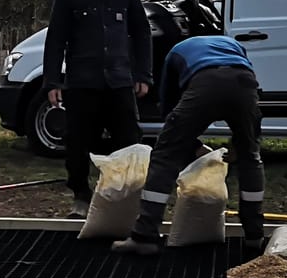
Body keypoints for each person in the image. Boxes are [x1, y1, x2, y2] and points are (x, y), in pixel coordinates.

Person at [111, 34, 265, 255]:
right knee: (250, 156)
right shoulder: (234, 46)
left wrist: (191, 145)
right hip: (244, 84)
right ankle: (254, 235)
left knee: (165, 155)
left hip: (205, 83)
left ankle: (144, 236)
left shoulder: (175, 52)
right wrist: (238, 144)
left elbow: (168, 108)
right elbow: (246, 86)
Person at [43, 0, 152, 216]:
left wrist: (143, 74)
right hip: (82, 81)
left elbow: (141, 32)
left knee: (128, 139)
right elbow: (56, 39)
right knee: (78, 141)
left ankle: (122, 197)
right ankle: (80, 194)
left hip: (119, 80)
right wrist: (52, 81)